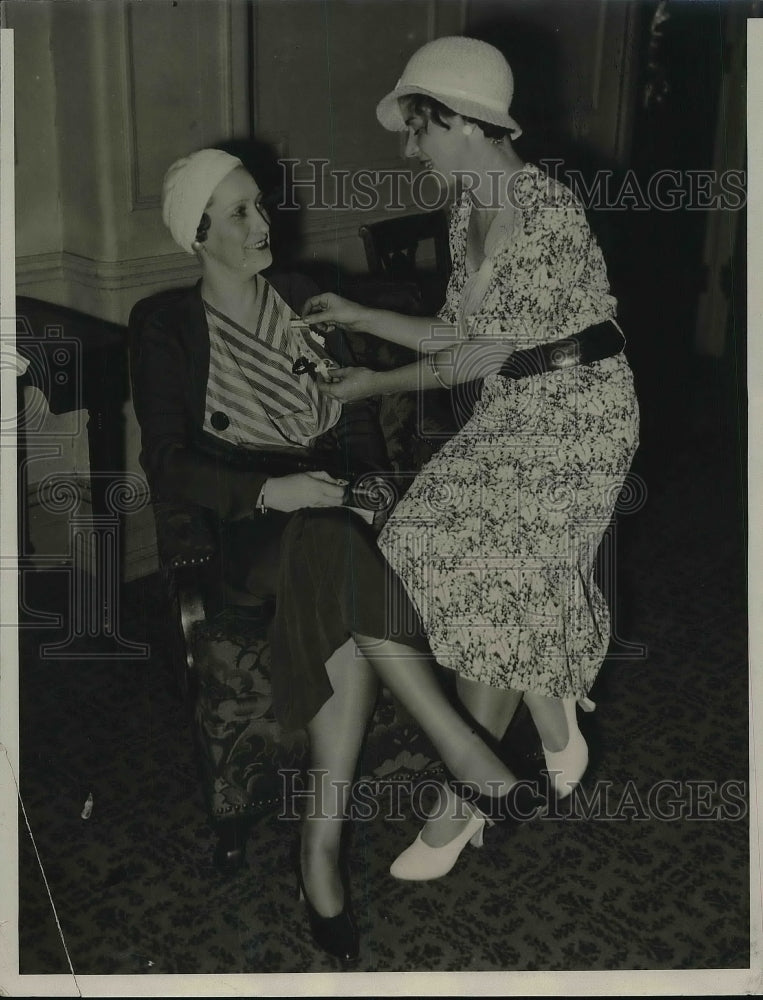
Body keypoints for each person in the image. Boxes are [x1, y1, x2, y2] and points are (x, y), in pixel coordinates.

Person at [131, 147, 545, 965]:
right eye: (241, 212)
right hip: (248, 526)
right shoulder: (165, 325)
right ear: (198, 235)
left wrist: (369, 488)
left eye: (261, 205)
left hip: (332, 513)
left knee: (336, 568)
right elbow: (167, 462)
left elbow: (353, 419)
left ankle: (318, 850)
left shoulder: (299, 298)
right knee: (322, 541)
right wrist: (268, 495)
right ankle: (457, 747)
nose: (263, 222)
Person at [303, 36, 640, 880]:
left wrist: (370, 386)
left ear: (460, 122)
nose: (410, 150)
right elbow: (457, 338)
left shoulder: (546, 212)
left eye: (419, 131)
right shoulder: (466, 212)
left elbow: (466, 360)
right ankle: (539, 700)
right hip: (514, 408)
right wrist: (363, 316)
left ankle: (469, 799)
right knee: (411, 550)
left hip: (579, 418)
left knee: (494, 564)